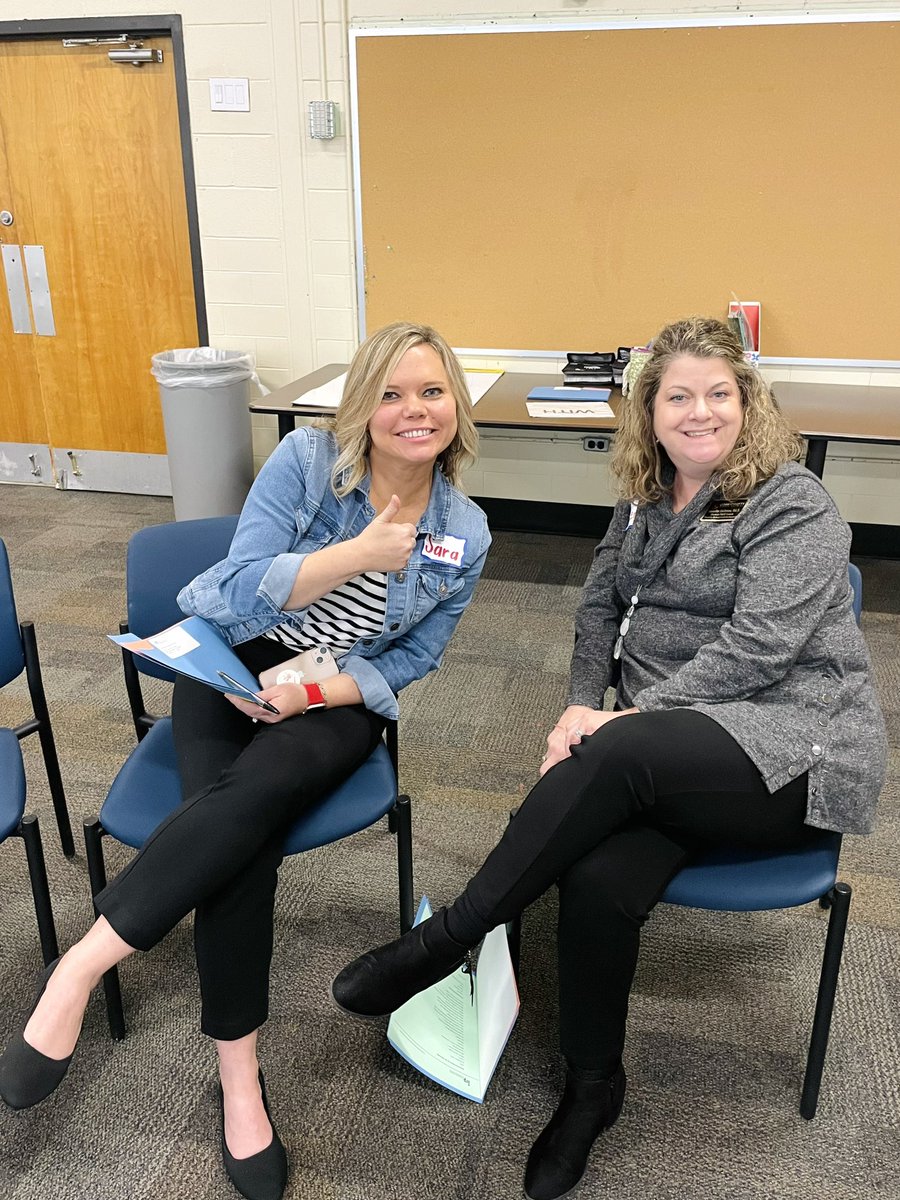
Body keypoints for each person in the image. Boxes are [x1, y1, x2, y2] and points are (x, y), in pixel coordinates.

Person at [331, 316, 887, 1200]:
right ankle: (595, 1087)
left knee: (620, 762)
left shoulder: (791, 500)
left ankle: (447, 940)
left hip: (792, 746)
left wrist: (616, 728)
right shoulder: (641, 497)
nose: (700, 413)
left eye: (718, 393)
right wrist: (583, 704)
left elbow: (761, 651)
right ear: (650, 411)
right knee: (594, 879)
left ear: (747, 402)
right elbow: (597, 613)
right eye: (678, 396)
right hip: (666, 751)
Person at [0, 321, 491, 1200]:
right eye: (389, 393)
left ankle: (82, 966)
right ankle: (239, 1080)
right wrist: (354, 555)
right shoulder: (307, 462)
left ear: (456, 405)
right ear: (360, 406)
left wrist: (311, 695)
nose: (412, 411)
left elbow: (414, 658)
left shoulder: (465, 530)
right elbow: (225, 590)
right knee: (240, 846)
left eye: (431, 391)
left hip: (333, 696)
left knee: (246, 806)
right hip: (233, 665)